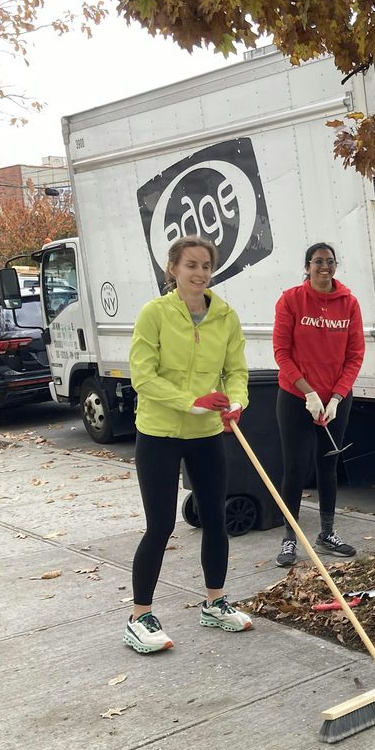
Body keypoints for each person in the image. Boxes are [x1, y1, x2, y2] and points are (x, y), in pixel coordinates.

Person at [125, 236, 251, 653]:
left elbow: (236, 372)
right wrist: (190, 403)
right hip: (159, 433)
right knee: (160, 525)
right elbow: (143, 377)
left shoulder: (226, 317)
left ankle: (214, 603)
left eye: (206, 266)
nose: (199, 273)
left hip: (207, 435)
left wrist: (235, 402)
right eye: (191, 265)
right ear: (173, 269)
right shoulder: (155, 314)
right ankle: (139, 615)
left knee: (215, 517)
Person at [273, 242, 365, 567]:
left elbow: (355, 356)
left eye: (329, 262)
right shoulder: (291, 300)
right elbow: (281, 353)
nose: (324, 267)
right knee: (296, 468)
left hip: (335, 400)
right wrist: (308, 392)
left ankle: (327, 533)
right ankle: (289, 538)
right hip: (297, 397)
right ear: (307, 266)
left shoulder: (349, 303)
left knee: (328, 465)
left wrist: (337, 396)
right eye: (317, 262)